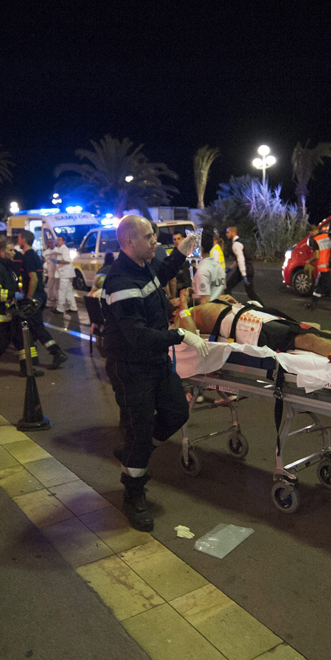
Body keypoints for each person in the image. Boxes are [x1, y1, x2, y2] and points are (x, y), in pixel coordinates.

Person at [101, 215, 206, 532]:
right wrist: (181, 336)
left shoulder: (141, 267)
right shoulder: (119, 283)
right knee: (138, 430)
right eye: (149, 236)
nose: (155, 241)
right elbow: (139, 336)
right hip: (131, 368)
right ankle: (133, 493)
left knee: (176, 412)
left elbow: (158, 277)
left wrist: (181, 253)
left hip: (155, 362)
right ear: (130, 242)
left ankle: (138, 450)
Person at [176, 296, 331, 366]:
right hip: (254, 331)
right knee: (312, 341)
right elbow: (192, 338)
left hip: (262, 319)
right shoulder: (183, 318)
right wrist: (184, 308)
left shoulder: (202, 305)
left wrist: (226, 300)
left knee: (320, 332)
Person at [0, 238, 42, 379]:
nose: (14, 253)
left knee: (23, 340)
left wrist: (22, 299)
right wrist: (14, 295)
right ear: (1, 251)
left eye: (14, 249)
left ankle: (27, 369)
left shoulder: (7, 267)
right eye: (11, 250)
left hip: (12, 312)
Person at [16, 231, 67, 369]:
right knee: (32, 328)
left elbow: (33, 278)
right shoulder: (35, 255)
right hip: (40, 295)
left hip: (34, 297)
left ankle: (56, 353)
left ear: (24, 240)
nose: (17, 240)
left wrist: (29, 298)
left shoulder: (27, 256)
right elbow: (42, 278)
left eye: (19, 238)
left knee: (37, 327)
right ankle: (32, 358)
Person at [306, 224, 331, 314]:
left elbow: (317, 256)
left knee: (330, 287)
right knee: (318, 287)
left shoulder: (316, 240)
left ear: (312, 232)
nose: (311, 234)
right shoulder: (326, 236)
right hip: (328, 264)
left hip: (322, 267)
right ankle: (313, 304)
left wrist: (309, 261)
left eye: (310, 233)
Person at [223, 226, 262, 304]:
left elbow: (241, 259)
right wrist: (230, 269)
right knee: (249, 293)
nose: (226, 234)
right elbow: (238, 260)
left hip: (245, 269)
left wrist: (244, 274)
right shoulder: (240, 242)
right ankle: (232, 305)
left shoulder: (236, 244)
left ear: (233, 232)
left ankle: (231, 307)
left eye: (228, 232)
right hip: (247, 268)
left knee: (249, 293)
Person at [192, 229, 226, 304]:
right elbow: (222, 293)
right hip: (218, 309)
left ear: (201, 248)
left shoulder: (203, 270)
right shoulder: (218, 267)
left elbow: (205, 301)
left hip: (207, 312)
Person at [48, 232, 79, 314]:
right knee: (68, 291)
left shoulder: (64, 249)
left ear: (64, 241)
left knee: (62, 290)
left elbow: (67, 260)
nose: (57, 241)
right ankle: (73, 307)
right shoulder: (60, 249)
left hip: (65, 274)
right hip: (66, 274)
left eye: (59, 240)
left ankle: (60, 308)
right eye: (57, 239)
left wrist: (57, 261)